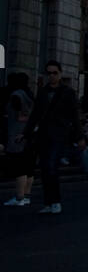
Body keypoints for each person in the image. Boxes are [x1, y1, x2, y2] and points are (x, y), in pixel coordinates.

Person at [23, 60, 85, 215]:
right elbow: (35, 115)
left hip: (59, 135)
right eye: (49, 73)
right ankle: (49, 202)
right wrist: (25, 133)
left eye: (54, 73)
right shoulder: (43, 92)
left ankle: (55, 201)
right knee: (45, 169)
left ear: (60, 74)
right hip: (43, 135)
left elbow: (74, 116)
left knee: (51, 166)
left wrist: (79, 137)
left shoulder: (67, 92)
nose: (51, 76)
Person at [2, 72, 36, 207]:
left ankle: (19, 196)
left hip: (17, 134)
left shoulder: (16, 95)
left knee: (20, 167)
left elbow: (19, 116)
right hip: (31, 134)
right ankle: (26, 195)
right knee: (29, 167)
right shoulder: (29, 94)